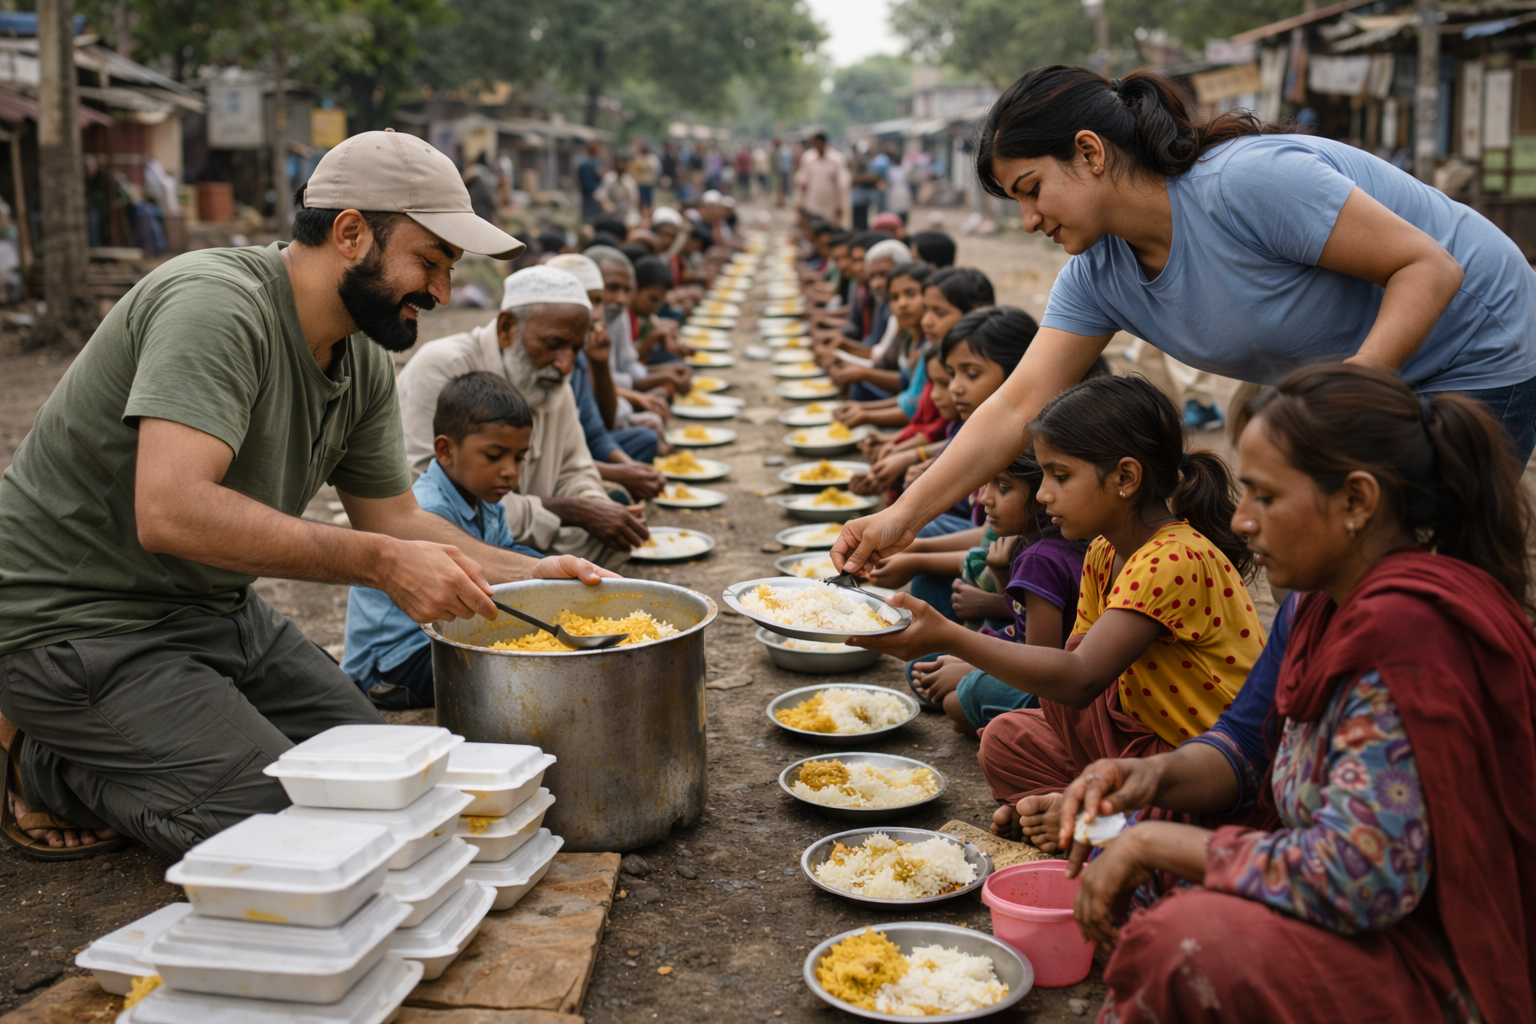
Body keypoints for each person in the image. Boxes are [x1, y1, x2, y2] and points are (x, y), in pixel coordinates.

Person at [0, 131, 609, 860]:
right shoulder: (216, 306)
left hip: (215, 612)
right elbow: (170, 510)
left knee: (377, 779)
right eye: (431, 262)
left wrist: (532, 574)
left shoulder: (362, 358)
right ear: (351, 232)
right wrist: (381, 565)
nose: (442, 292)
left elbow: (396, 519)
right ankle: (44, 764)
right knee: (286, 829)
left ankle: (136, 740)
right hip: (75, 626)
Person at [834, 66, 1536, 590]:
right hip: (1365, 391)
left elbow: (1430, 269)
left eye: (1031, 191)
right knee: (1330, 577)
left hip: (1480, 343)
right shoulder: (1098, 273)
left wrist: (1342, 401)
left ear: (1090, 152)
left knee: (1436, 580)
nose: (1028, 222)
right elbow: (1017, 405)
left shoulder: (1245, 184)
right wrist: (903, 519)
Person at [1057, 364, 1536, 1024]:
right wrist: (1147, 774)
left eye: (1265, 497)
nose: (1242, 521)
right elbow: (1242, 745)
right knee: (1144, 824)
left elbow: (1360, 876)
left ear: (1358, 502)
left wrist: (1151, 848)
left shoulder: (1413, 632)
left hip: (1430, 953)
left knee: (1183, 938)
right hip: (1335, 894)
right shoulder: (1313, 603)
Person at [854, 374, 1266, 850]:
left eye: (1060, 475)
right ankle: (1089, 810)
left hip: (1200, 765)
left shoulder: (1173, 558)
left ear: (1126, 479)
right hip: (1132, 744)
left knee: (1053, 689)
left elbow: (1080, 677)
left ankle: (1109, 823)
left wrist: (949, 635)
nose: (1044, 494)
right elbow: (1073, 696)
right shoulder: (1103, 553)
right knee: (1006, 739)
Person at [396, 266, 649, 567]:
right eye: (553, 344)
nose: (566, 364)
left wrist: (595, 507)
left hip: (525, 531)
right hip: (458, 536)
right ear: (506, 329)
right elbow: (423, 495)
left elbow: (575, 469)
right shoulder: (442, 365)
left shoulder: (555, 383)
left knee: (614, 534)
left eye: (575, 349)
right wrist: (572, 511)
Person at [343, 372, 545, 710]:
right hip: (393, 663)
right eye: (494, 456)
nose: (510, 471)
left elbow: (508, 557)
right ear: (446, 450)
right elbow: (477, 583)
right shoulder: (426, 510)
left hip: (444, 635)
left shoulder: (486, 499)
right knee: (520, 670)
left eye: (519, 457)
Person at [908, 449, 1090, 737]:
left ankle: (1000, 717)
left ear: (1042, 496)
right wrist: (1004, 575)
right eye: (987, 484)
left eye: (1003, 488)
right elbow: (1023, 619)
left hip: (1048, 688)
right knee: (925, 671)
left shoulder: (1039, 558)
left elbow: (1040, 666)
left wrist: (970, 670)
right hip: (1030, 658)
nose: (984, 498)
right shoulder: (1034, 544)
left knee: (958, 700)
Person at [544, 253, 670, 480]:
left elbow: (597, 431)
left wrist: (630, 469)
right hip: (555, 466)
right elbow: (554, 455)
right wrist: (621, 474)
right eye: (588, 301)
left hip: (581, 452)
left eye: (598, 301)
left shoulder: (583, 354)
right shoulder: (545, 356)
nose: (598, 312)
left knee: (645, 440)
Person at [794, 133, 850, 226]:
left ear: (822, 142)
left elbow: (842, 185)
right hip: (812, 204)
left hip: (831, 206)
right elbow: (803, 182)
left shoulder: (837, 159)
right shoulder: (808, 158)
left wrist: (841, 206)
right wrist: (800, 202)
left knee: (830, 233)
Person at [577, 142, 604, 224]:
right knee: (589, 217)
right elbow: (586, 180)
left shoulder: (595, 161)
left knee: (597, 215)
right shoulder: (585, 163)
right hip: (589, 192)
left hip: (595, 191)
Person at [630, 140, 659, 213]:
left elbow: (656, 169)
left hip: (649, 182)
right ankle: (641, 212)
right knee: (640, 199)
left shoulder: (651, 158)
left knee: (649, 200)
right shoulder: (637, 157)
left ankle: (648, 213)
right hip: (640, 182)